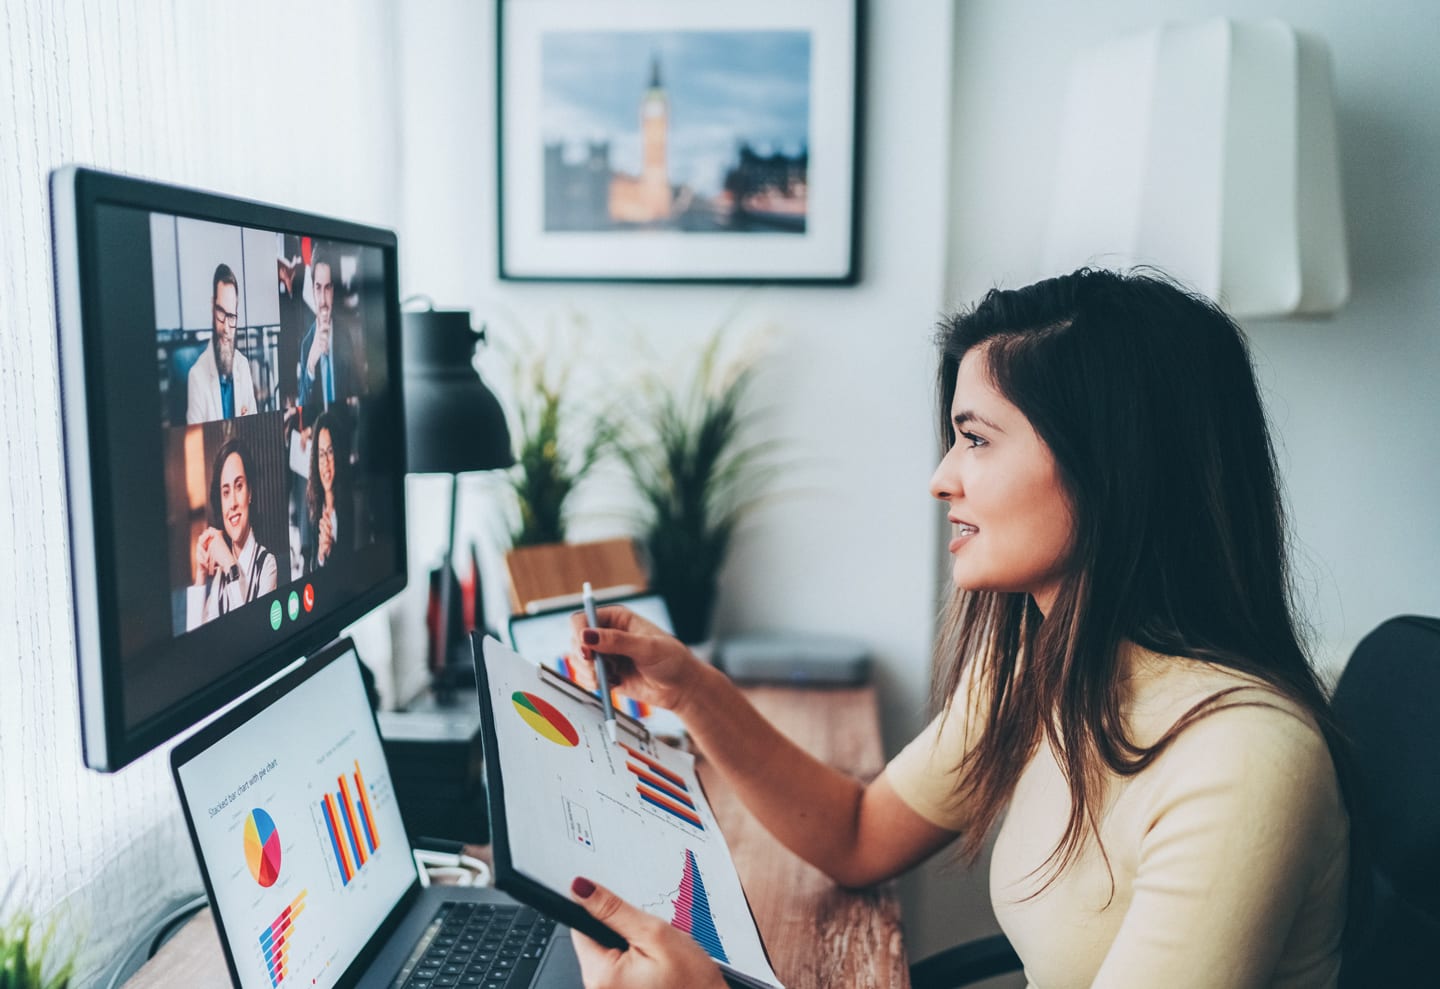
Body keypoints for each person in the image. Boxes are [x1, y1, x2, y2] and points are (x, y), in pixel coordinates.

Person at [562, 268, 1354, 988]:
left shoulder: (1241, 757)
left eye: (975, 439)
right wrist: (692, 690)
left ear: (1109, 468)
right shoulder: (1043, 667)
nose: (942, 478)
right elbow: (858, 833)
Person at [195, 437, 278, 620]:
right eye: (225, 492)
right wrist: (200, 573)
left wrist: (230, 565)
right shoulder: (219, 575)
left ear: (250, 493)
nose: (232, 503)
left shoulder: (267, 565)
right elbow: (194, 641)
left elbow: (252, 633)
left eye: (239, 486)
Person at [187, 263, 259, 423]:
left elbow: (253, 422)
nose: (226, 328)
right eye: (221, 312)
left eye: (232, 316)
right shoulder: (197, 377)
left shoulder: (243, 366)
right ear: (213, 307)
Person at [298, 243, 349, 414]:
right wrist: (311, 365)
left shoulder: (346, 335)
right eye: (318, 288)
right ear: (312, 289)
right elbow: (304, 412)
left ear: (333, 290)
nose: (323, 300)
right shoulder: (306, 346)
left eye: (328, 288)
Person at [302, 410, 349, 572]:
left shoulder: (355, 503)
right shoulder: (313, 506)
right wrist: (322, 556)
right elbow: (311, 567)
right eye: (321, 455)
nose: (326, 464)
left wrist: (332, 550)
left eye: (330, 452)